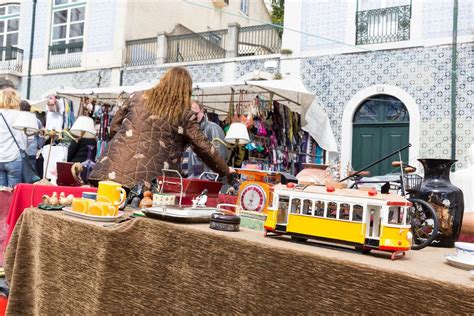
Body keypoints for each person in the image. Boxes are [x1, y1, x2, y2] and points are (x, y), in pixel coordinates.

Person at [89, 67, 234, 189]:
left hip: (109, 171)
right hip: (147, 181)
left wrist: (127, 144)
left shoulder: (137, 97)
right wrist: (226, 170)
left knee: (104, 214)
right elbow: (203, 147)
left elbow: (114, 127)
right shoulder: (183, 113)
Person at [183, 100, 229, 178]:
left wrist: (208, 179)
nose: (192, 116)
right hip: (188, 180)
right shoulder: (188, 130)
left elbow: (220, 157)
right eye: (189, 113)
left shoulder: (213, 128)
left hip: (202, 183)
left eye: (195, 113)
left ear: (202, 110)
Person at [0, 88, 27, 187]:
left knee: (1, 192)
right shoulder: (20, 115)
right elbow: (23, 138)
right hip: (14, 156)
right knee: (14, 191)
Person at [19, 100, 44, 170]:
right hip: (32, 151)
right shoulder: (36, 120)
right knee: (31, 173)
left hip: (19, 151)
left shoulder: (17, 119)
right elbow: (41, 135)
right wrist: (39, 147)